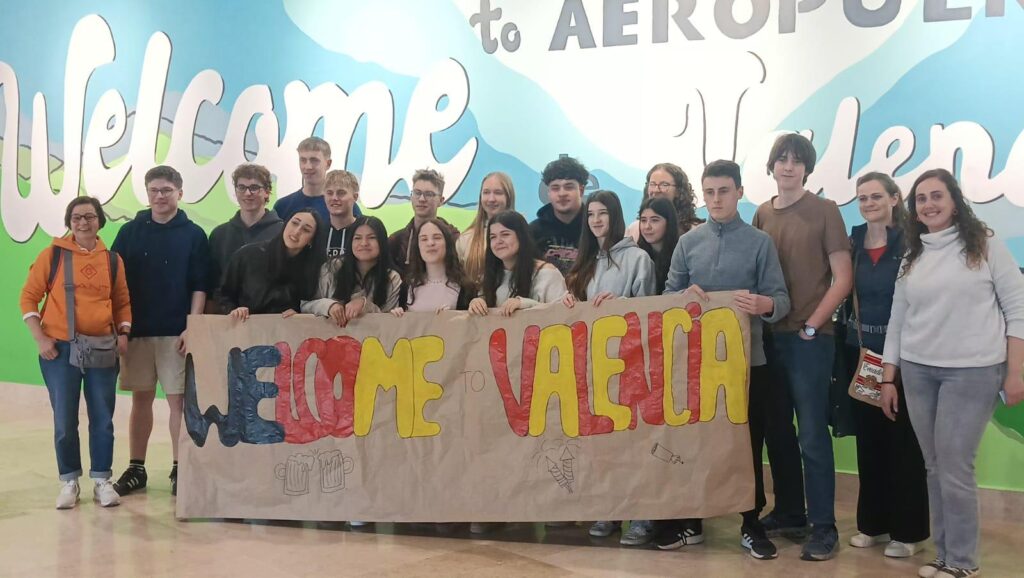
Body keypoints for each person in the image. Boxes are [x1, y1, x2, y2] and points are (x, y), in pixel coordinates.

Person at [881, 168, 1024, 578]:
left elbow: (1018, 309)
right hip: (918, 371)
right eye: (921, 199)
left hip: (973, 372)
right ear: (914, 210)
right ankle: (944, 556)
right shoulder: (914, 255)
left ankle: (963, 562)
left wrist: (1016, 372)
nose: (929, 204)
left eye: (936, 196)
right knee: (934, 465)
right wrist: (888, 377)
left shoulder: (985, 244)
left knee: (955, 466)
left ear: (955, 202)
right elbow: (897, 319)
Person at [661, 159, 791, 559]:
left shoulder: (759, 243)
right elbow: (666, 296)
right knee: (696, 442)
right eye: (710, 192)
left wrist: (764, 304)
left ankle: (751, 523)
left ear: (739, 193)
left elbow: (781, 300)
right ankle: (693, 521)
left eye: (724, 191)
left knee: (747, 444)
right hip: (696, 364)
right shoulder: (688, 243)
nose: (716, 199)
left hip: (748, 364)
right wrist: (681, 298)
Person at [751, 133, 852, 561]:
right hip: (768, 339)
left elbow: (842, 278)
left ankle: (824, 526)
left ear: (807, 168)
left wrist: (812, 325)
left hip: (810, 340)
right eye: (782, 159)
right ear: (772, 166)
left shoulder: (825, 210)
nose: (788, 166)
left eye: (796, 160)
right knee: (778, 432)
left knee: (811, 434)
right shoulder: (761, 213)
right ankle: (790, 512)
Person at [19, 197, 132, 509]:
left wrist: (124, 333)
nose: (83, 222)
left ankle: (102, 480)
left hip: (102, 348)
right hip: (59, 350)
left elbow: (122, 300)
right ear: (69, 222)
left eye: (90, 216)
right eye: (77, 217)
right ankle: (69, 480)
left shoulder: (112, 260)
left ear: (100, 221)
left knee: (102, 418)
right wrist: (41, 338)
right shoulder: (52, 255)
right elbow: (28, 297)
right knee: (65, 418)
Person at [841, 173, 929, 560]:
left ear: (895, 198)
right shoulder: (853, 242)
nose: (869, 203)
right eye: (862, 198)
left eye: (876, 196)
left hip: (905, 356)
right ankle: (872, 525)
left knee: (904, 444)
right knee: (870, 442)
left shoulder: (913, 241)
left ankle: (909, 532)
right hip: (861, 355)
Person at [111, 165, 211, 497]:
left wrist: (192, 326)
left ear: (180, 193)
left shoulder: (194, 234)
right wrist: (120, 327)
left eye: (166, 190)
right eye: (154, 190)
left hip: (175, 334)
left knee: (177, 402)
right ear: (147, 193)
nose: (160, 196)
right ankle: (136, 468)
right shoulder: (130, 232)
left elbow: (200, 285)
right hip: (137, 331)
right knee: (140, 400)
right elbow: (115, 282)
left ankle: (180, 468)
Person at [562, 190, 655, 540]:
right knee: (602, 442)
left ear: (615, 216)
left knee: (634, 443)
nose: (596, 220)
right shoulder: (585, 261)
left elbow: (650, 311)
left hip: (629, 363)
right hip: (593, 365)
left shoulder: (638, 259)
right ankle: (609, 510)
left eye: (602, 213)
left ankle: (642, 515)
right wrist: (568, 300)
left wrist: (622, 303)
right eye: (591, 214)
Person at [217, 209, 324, 320]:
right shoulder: (247, 255)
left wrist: (300, 313)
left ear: (312, 240)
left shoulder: (313, 269)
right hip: (245, 325)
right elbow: (223, 294)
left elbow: (310, 304)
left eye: (306, 230)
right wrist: (234, 310)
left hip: (287, 328)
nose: (297, 231)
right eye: (294, 223)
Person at [208, 163, 283, 312]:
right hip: (228, 318)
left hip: (272, 318)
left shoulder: (283, 233)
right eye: (241, 187)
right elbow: (212, 283)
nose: (247, 193)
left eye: (254, 188)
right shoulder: (219, 235)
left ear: (267, 192)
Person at [302, 216, 403, 325]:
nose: (364, 243)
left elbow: (389, 323)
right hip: (329, 333)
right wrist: (328, 306)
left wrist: (365, 305)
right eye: (357, 238)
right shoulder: (332, 268)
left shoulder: (392, 277)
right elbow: (305, 306)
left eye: (372, 237)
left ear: (382, 242)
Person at [468, 210, 567, 317]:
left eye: (505, 234)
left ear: (521, 236)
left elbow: (561, 314)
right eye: (493, 237)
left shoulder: (547, 273)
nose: (498, 241)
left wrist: (525, 304)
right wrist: (477, 303)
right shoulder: (488, 275)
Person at [272, 136, 362, 223]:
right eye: (303, 160)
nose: (308, 166)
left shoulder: (346, 206)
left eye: (314, 160)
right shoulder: (282, 206)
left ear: (328, 163)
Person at [393, 219, 474, 315]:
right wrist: (397, 313)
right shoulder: (407, 286)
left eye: (437, 238)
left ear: (447, 243)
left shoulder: (466, 287)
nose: (430, 243)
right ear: (417, 246)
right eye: (424, 239)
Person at [388, 168, 460, 276]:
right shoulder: (396, 242)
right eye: (417, 193)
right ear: (411, 196)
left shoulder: (454, 239)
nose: (421, 199)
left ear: (441, 201)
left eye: (429, 194)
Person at [529, 156, 587, 275]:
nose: (562, 193)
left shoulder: (595, 227)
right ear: (549, 192)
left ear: (581, 191)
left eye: (569, 187)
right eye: (555, 188)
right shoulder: (533, 231)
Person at [457, 172, 516, 284]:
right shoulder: (466, 239)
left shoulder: (522, 235)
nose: (491, 199)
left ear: (509, 197)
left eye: (498, 193)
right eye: (486, 192)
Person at [626, 162, 703, 240]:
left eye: (664, 185)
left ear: (678, 191)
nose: (656, 190)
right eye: (652, 184)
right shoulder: (634, 230)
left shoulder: (695, 231)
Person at [636, 197, 680, 295]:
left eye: (654, 220)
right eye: (643, 220)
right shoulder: (636, 256)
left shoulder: (681, 253)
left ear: (669, 222)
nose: (647, 226)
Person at [318, 170, 361, 261]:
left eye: (341, 193)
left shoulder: (364, 232)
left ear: (355, 197)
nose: (334, 198)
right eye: (329, 193)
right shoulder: (317, 232)